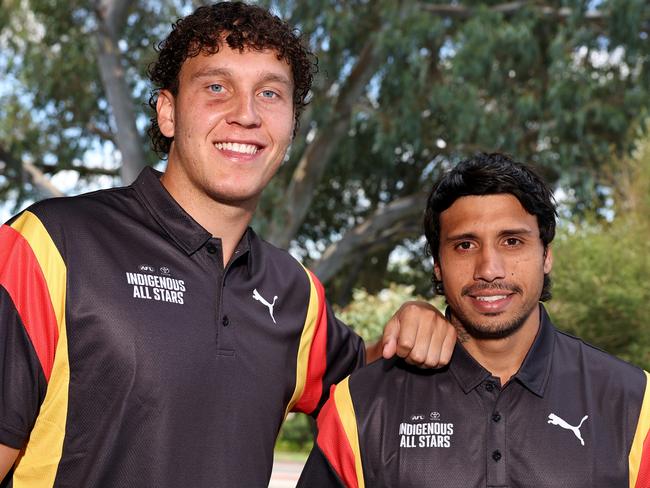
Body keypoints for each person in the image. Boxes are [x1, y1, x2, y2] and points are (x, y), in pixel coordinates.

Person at [0, 3, 457, 487]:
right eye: (217, 87)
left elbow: (369, 378)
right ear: (168, 111)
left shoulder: (294, 293)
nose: (247, 113)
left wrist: (413, 320)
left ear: (292, 128)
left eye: (270, 93)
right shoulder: (50, 246)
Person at [297, 152, 650, 488]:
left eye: (512, 241)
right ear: (437, 264)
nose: (489, 270)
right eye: (465, 245)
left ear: (546, 256)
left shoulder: (634, 405)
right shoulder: (361, 403)